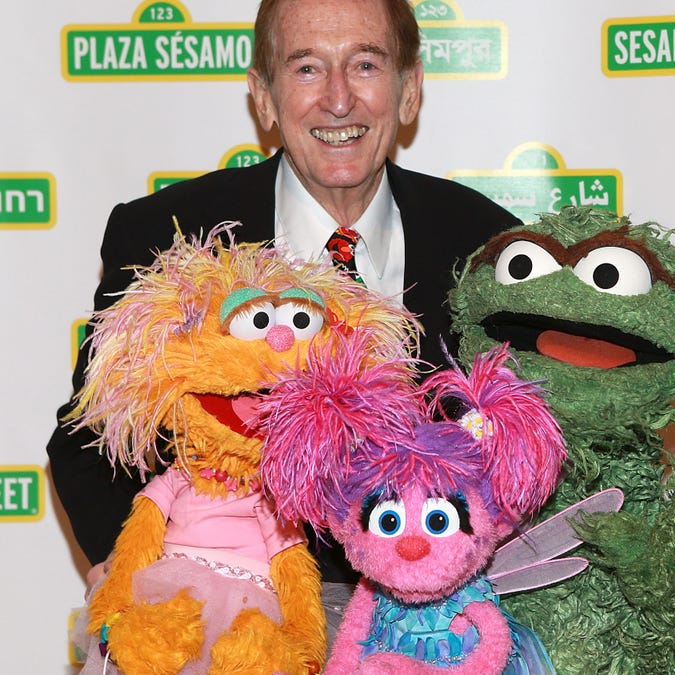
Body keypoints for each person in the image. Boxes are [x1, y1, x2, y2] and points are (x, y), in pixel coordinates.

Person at [46, 0, 520, 626]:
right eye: (305, 69)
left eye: (366, 65)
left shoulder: (488, 244)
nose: (339, 100)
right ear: (263, 98)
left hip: (437, 629)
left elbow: (526, 450)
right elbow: (88, 442)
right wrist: (145, 574)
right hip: (235, 629)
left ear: (409, 91)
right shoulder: (167, 237)